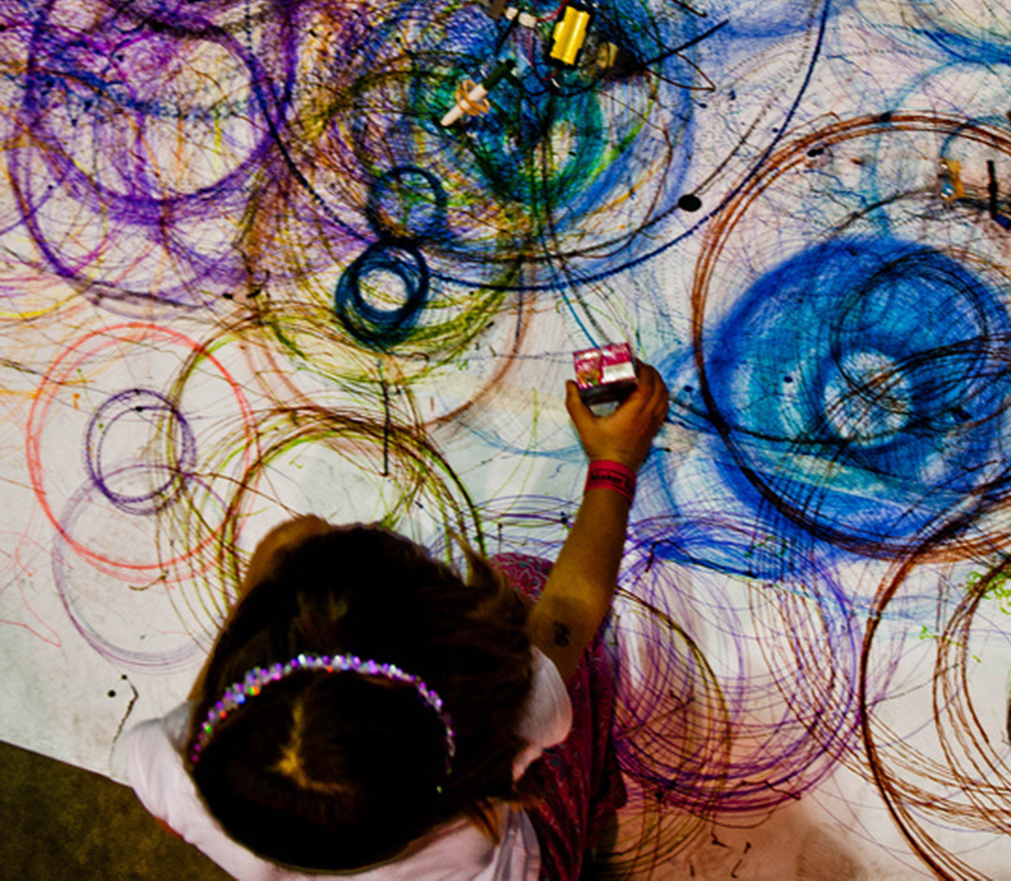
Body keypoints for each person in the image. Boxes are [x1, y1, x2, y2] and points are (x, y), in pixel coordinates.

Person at [116, 364, 669, 881]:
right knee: (522, 580)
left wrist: (272, 588)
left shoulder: (180, 769)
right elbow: (570, 609)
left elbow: (174, 804)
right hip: (531, 862)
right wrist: (615, 462)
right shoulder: (506, 717)